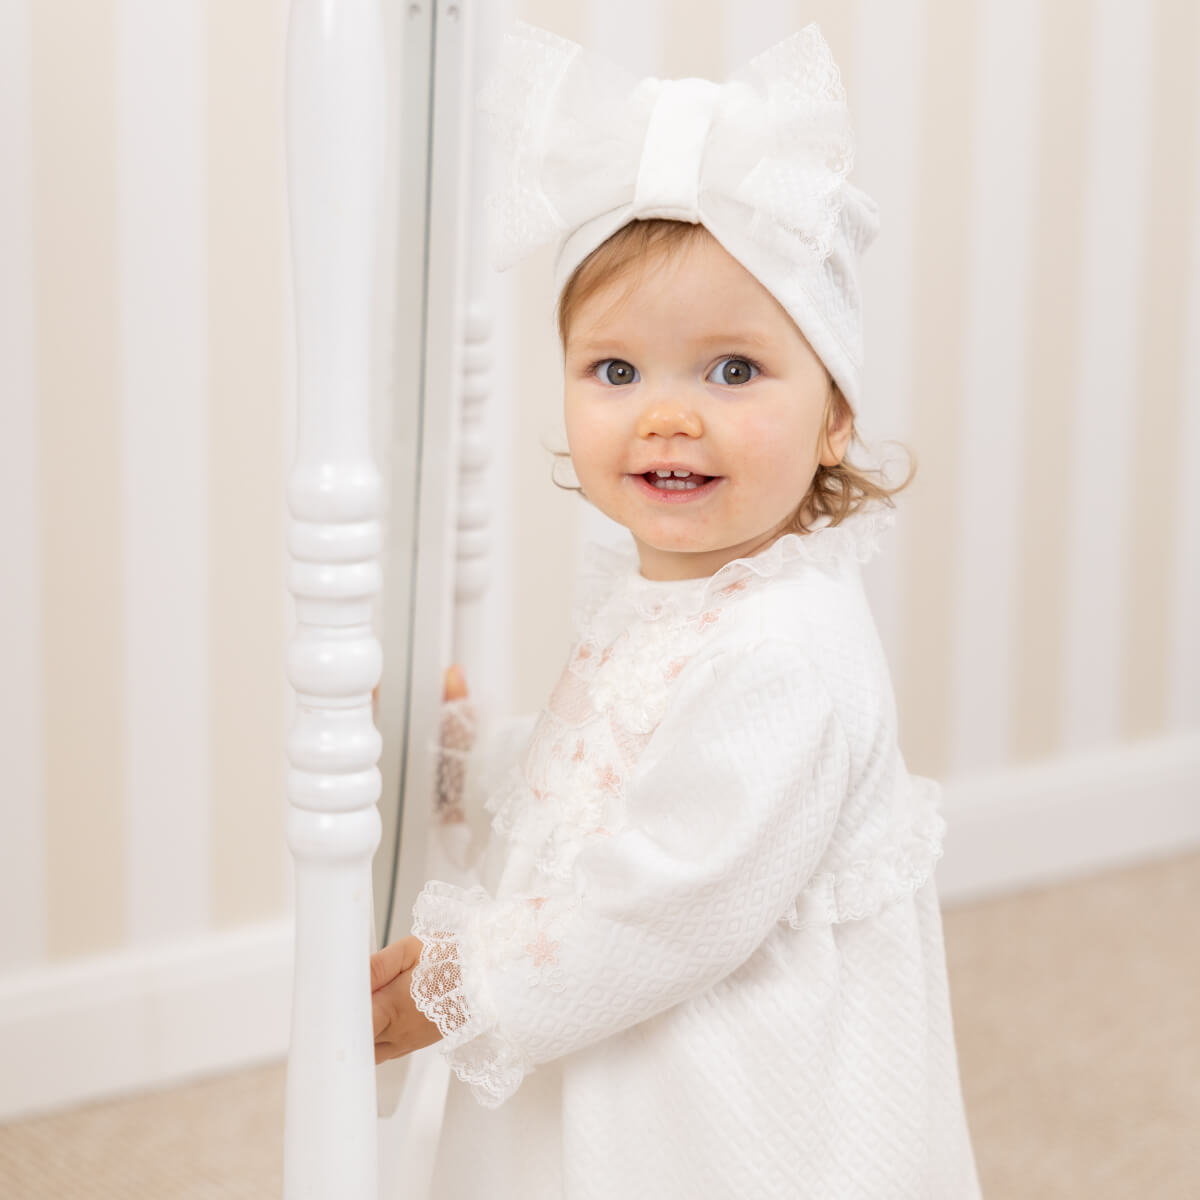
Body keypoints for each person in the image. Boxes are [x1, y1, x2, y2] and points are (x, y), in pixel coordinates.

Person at [370, 20, 983, 1199]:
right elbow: (608, 784)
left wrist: (466, 983)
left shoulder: (788, 650)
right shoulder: (671, 595)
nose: (666, 416)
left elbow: (671, 899)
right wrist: (470, 767)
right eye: (616, 371)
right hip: (618, 1022)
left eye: (734, 370)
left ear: (836, 410)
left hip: (723, 1088)